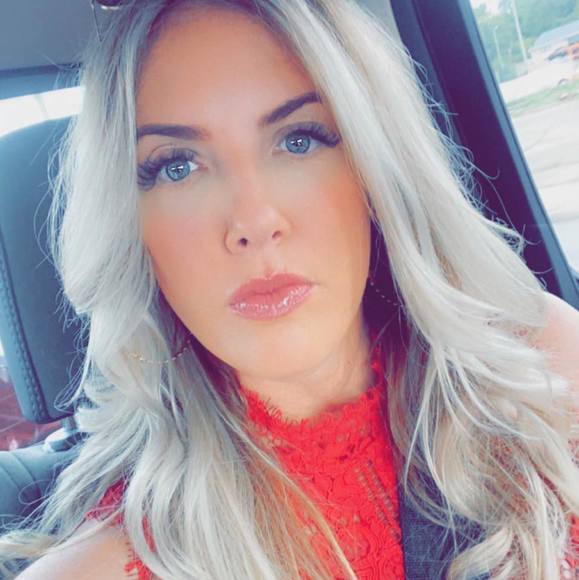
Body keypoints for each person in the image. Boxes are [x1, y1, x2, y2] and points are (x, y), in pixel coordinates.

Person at [0, 0, 577, 578]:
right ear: (131, 228)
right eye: (177, 166)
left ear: (374, 169)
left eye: (298, 140)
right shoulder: (101, 565)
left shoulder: (540, 367)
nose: (253, 221)